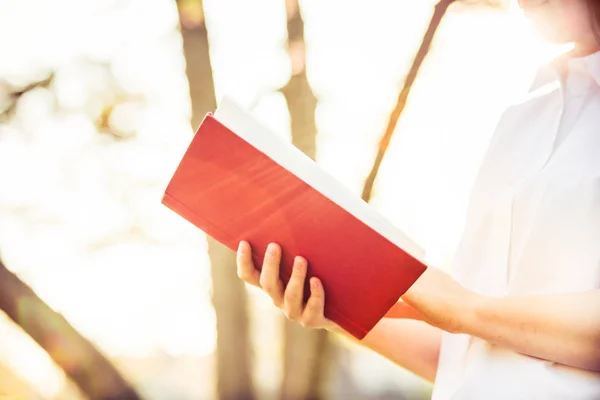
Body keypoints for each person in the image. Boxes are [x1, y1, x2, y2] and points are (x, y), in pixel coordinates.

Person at [236, 0, 600, 398]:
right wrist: (337, 308)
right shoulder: (523, 118)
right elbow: (468, 353)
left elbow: (467, 314)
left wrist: (463, 308)